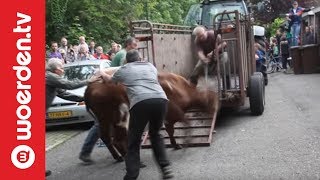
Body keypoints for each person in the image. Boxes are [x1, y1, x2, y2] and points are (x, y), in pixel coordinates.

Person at [98, 50, 174, 180]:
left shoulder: (124, 69)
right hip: (161, 100)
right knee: (155, 134)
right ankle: (165, 167)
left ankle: (131, 175)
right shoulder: (150, 66)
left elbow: (110, 81)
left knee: (133, 140)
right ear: (140, 59)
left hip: (140, 102)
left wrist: (102, 72)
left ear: (127, 61)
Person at [45, 58, 98, 176]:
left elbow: (64, 94)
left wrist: (84, 99)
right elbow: (69, 85)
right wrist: (89, 81)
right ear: (56, 69)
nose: (63, 69)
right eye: (61, 67)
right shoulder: (50, 76)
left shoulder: (51, 79)